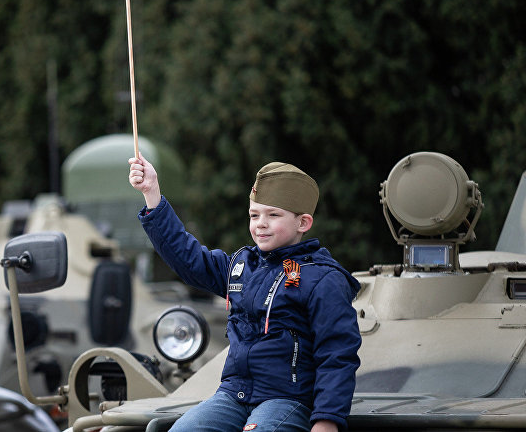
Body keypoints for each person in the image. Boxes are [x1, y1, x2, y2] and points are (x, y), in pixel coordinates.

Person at [128, 154, 361, 432]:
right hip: (233, 395)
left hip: (288, 399)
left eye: (273, 215)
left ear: (304, 223)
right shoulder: (241, 265)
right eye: (254, 215)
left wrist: (327, 420)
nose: (260, 223)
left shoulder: (323, 278)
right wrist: (152, 194)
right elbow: (189, 260)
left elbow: (337, 354)